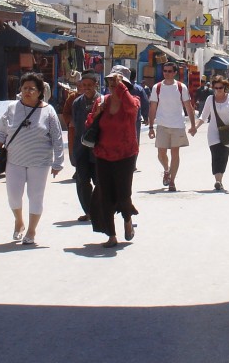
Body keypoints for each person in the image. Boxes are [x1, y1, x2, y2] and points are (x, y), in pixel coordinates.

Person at [0, 71, 64, 245]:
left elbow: (57, 138)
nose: (28, 91)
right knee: (14, 196)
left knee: (35, 196)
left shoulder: (49, 111)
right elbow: (0, 134)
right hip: (14, 161)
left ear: (39, 92)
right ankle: (19, 221)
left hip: (40, 162)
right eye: (25, 88)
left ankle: (31, 230)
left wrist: (58, 162)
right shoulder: (12, 109)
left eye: (32, 88)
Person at [86, 65, 140, 247]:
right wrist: (97, 112)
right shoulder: (102, 102)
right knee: (105, 195)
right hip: (103, 154)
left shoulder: (132, 101)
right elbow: (89, 123)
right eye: (110, 82)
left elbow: (132, 109)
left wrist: (121, 88)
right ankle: (111, 235)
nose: (112, 85)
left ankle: (127, 219)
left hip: (125, 154)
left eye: (116, 82)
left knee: (124, 194)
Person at [146, 63, 198, 191]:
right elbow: (153, 107)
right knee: (161, 153)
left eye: (169, 71)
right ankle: (167, 170)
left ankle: (172, 182)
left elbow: (188, 106)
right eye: (165, 71)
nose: (167, 73)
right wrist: (151, 126)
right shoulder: (157, 87)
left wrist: (193, 125)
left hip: (177, 124)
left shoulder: (181, 87)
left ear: (175, 73)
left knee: (175, 152)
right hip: (162, 124)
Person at [65, 70, 100, 221]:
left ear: (95, 85)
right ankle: (89, 211)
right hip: (81, 149)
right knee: (82, 181)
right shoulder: (76, 103)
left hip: (99, 149)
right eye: (83, 85)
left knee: (99, 182)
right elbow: (74, 124)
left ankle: (101, 209)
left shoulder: (103, 101)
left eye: (89, 85)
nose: (86, 88)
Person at [196, 76, 229, 191]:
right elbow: (203, 116)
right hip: (213, 132)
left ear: (225, 87)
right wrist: (195, 127)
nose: (218, 89)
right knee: (215, 155)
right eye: (216, 87)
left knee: (224, 155)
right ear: (213, 87)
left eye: (221, 87)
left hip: (227, 131)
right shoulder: (210, 99)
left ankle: (220, 180)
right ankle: (217, 180)